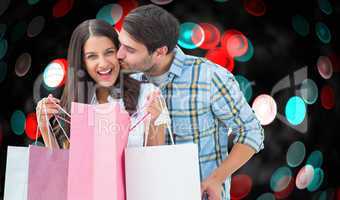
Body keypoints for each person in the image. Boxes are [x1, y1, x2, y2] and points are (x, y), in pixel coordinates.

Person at [116, 4, 264, 200]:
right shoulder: (127, 83)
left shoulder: (210, 77)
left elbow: (251, 131)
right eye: (120, 44)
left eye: (130, 49)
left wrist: (216, 179)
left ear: (160, 52)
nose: (119, 54)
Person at [35, 19, 166, 149]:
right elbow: (63, 168)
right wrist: (45, 128)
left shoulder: (148, 95)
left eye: (109, 52)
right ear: (82, 62)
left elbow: (156, 163)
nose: (103, 63)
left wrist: (154, 122)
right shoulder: (76, 105)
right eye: (92, 56)